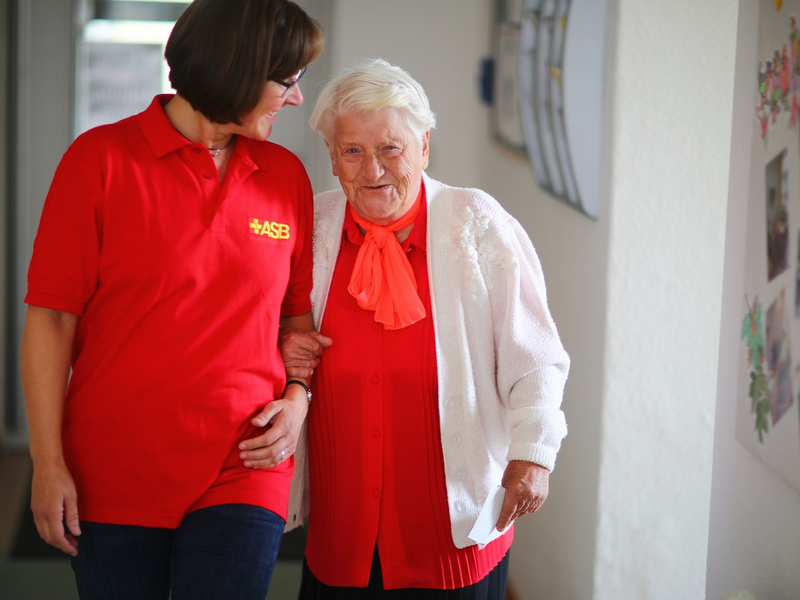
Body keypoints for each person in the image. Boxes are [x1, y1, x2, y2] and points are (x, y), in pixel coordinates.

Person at [19, 1, 324, 598]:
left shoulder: (285, 177)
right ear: (234, 71)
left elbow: (296, 321)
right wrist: (48, 462)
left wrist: (298, 399)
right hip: (115, 465)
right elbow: (52, 320)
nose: (295, 100)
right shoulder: (99, 161)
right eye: (286, 82)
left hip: (246, 462)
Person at [278, 59, 570, 599]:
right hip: (340, 538)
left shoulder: (476, 223)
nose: (372, 170)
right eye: (352, 151)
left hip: (451, 538)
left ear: (424, 147)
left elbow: (535, 356)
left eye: (391, 148)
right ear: (332, 157)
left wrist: (533, 452)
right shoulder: (313, 227)